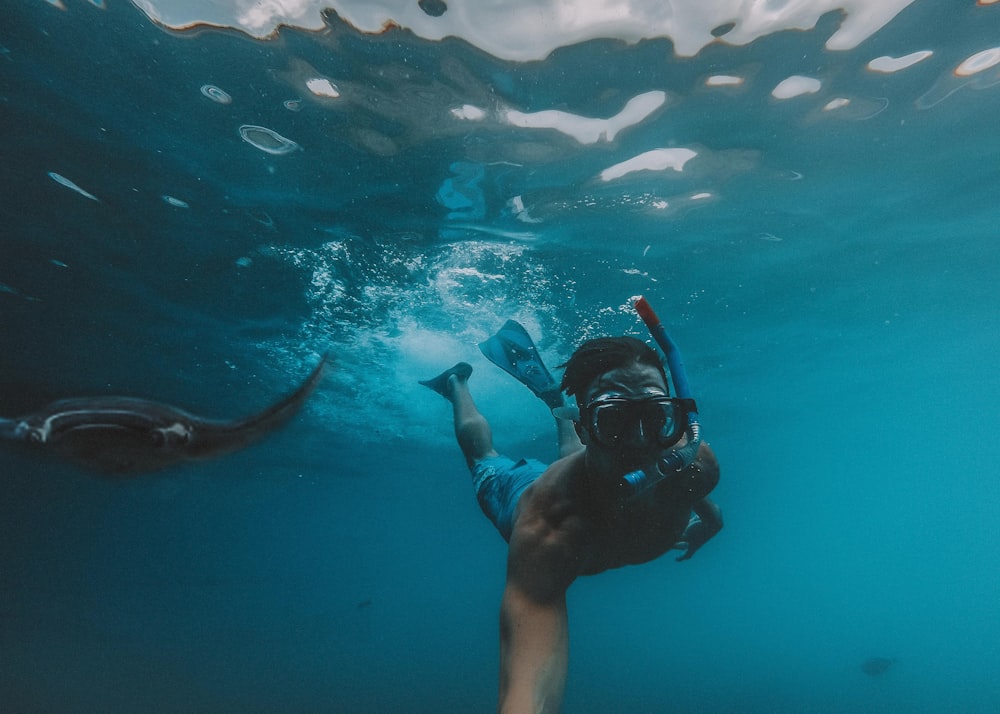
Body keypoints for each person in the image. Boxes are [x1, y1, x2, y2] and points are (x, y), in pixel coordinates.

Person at [421, 320, 722, 714]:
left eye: (654, 414)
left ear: (674, 416)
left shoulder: (691, 461)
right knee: (484, 459)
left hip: (587, 468)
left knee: (589, 458)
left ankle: (559, 400)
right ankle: (456, 383)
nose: (638, 440)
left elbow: (692, 490)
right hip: (522, 488)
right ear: (586, 426)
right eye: (613, 419)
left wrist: (711, 524)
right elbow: (526, 689)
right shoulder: (548, 526)